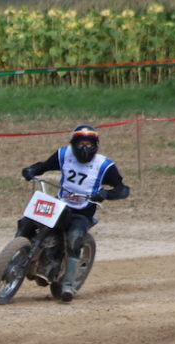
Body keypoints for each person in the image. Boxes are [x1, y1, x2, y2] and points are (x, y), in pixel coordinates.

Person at [18, 124, 130, 302]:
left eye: (89, 143)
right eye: (80, 143)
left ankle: (69, 285)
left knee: (75, 238)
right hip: (59, 204)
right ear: (73, 144)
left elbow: (123, 189)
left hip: (82, 212)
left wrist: (106, 194)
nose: (84, 148)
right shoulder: (64, 154)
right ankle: (17, 254)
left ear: (95, 145)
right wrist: (31, 170)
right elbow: (45, 166)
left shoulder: (104, 165)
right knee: (28, 221)